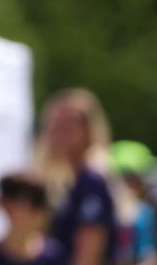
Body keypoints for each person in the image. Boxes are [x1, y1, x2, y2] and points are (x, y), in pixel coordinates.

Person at [35, 88, 119, 265]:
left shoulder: (92, 180)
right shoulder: (69, 181)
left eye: (70, 123)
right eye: (56, 123)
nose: (60, 130)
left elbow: (88, 255)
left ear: (89, 129)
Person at [0, 171, 67, 265]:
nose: (37, 213)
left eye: (40, 205)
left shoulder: (55, 257)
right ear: (6, 207)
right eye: (29, 204)